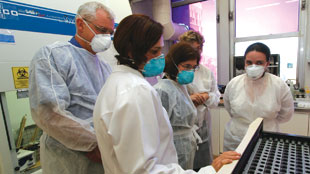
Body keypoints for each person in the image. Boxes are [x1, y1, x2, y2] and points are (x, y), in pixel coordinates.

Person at [93, 14, 240, 174]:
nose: (160, 58)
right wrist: (209, 171)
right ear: (131, 51)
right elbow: (143, 171)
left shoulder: (116, 82)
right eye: (155, 51)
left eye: (161, 51)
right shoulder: (136, 91)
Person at [28, 2, 115, 173]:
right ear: (80, 24)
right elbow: (49, 113)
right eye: (102, 30)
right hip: (69, 158)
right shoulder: (53, 56)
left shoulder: (104, 67)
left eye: (110, 33)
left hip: (103, 153)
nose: (107, 37)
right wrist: (92, 143)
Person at [223, 42, 294, 151]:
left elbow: (286, 114)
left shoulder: (279, 85)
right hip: (236, 139)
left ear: (267, 63)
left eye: (259, 63)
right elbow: (230, 109)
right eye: (249, 62)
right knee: (234, 168)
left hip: (266, 140)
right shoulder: (234, 84)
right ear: (244, 63)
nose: (253, 66)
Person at [154, 42, 201, 169]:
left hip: (185, 146)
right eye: (186, 66)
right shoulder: (162, 90)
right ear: (173, 64)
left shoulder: (181, 86)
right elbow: (158, 129)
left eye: (193, 67)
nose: (190, 71)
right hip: (172, 149)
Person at [179, 30, 221, 169]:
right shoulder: (173, 70)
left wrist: (207, 97)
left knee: (203, 166)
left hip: (202, 126)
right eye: (190, 49)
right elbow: (166, 100)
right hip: (181, 130)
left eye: (198, 48)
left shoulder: (206, 72)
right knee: (183, 167)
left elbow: (216, 98)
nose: (195, 52)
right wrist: (188, 100)